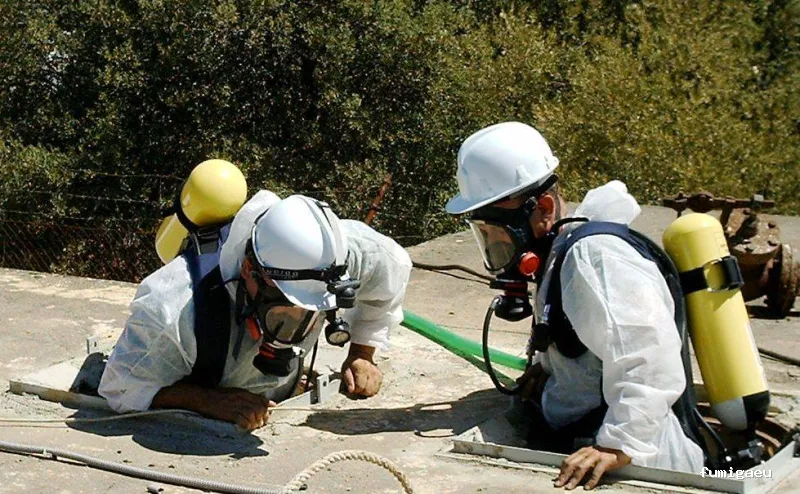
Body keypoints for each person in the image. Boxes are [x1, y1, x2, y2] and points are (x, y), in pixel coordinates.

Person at [445, 122, 705, 489]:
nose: (499, 248)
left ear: (545, 208)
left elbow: (648, 357)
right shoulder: (561, 254)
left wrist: (618, 446)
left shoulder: (594, 257)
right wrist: (550, 367)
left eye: (500, 233)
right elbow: (585, 341)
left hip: (642, 466)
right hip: (589, 441)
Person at [99, 191, 412, 431]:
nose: (296, 325)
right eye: (285, 312)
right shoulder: (173, 306)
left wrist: (362, 350)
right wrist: (204, 400)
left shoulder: (353, 255)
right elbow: (121, 386)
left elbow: (392, 273)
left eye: (310, 312)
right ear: (250, 271)